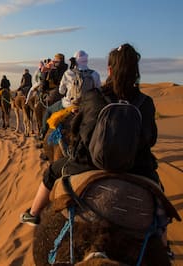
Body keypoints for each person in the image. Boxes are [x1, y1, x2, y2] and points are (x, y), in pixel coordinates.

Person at [20, 43, 161, 227]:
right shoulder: (145, 102)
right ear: (135, 71)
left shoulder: (94, 97)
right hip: (136, 166)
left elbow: (80, 134)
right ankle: (164, 243)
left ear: (110, 70)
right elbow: (151, 139)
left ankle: (34, 213)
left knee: (52, 172)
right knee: (158, 196)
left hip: (89, 163)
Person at [38, 50, 101, 140]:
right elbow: (98, 90)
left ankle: (42, 134)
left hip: (70, 105)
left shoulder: (68, 73)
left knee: (48, 111)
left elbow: (61, 91)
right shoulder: (95, 74)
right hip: (88, 106)